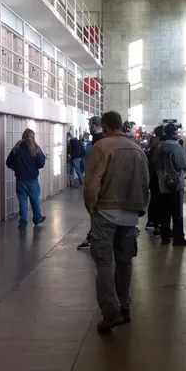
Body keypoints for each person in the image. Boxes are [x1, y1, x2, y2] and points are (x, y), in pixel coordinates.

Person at [83, 111, 150, 332]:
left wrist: (91, 208)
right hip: (130, 212)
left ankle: (110, 310)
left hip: (105, 211)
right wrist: (139, 208)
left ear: (105, 126)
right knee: (125, 261)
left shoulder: (101, 147)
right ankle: (124, 306)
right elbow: (145, 182)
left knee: (103, 262)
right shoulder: (138, 149)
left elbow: (92, 183)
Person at [154, 123, 186, 246]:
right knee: (177, 212)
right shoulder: (176, 146)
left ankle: (164, 237)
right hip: (176, 182)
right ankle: (178, 238)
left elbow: (156, 164)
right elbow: (181, 164)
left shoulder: (158, 146)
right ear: (174, 133)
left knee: (164, 211)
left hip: (162, 183)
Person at [6, 128, 47, 230]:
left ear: (23, 136)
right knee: (35, 201)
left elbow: (8, 162)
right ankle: (37, 218)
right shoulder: (36, 148)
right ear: (33, 137)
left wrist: (15, 168)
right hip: (32, 179)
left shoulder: (17, 147)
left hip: (20, 180)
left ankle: (23, 223)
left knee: (22, 202)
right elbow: (41, 163)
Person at [77, 116, 106, 250]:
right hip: (97, 180)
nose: (89, 127)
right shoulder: (98, 140)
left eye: (90, 124)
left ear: (94, 126)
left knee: (96, 211)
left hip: (99, 182)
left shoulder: (100, 141)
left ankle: (93, 237)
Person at [145, 125, 165, 235]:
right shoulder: (161, 144)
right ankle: (158, 225)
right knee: (160, 201)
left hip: (151, 176)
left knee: (153, 199)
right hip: (159, 176)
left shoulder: (151, 144)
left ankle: (150, 222)